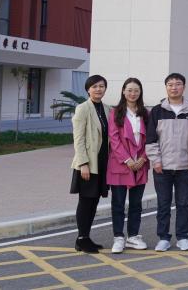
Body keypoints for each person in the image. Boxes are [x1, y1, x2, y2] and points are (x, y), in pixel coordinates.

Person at [145, 73, 188, 252]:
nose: (174, 87)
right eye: (170, 84)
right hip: (162, 167)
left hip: (185, 167)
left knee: (183, 204)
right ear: (166, 87)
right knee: (163, 204)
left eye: (178, 84)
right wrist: (156, 161)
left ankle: (182, 237)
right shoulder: (157, 111)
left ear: (184, 87)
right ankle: (163, 238)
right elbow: (151, 138)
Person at [107, 77, 150, 254]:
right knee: (118, 203)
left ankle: (133, 236)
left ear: (140, 93)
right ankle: (118, 237)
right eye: (129, 90)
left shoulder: (145, 113)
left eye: (136, 90)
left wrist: (143, 158)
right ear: (123, 91)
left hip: (140, 164)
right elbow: (114, 139)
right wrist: (127, 159)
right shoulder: (115, 112)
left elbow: (151, 138)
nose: (133, 93)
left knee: (136, 204)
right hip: (120, 164)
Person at [70, 75, 110, 253]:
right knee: (85, 201)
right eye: (94, 86)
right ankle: (81, 239)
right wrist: (83, 164)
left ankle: (86, 237)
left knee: (94, 201)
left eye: (101, 86)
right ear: (88, 89)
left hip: (102, 163)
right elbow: (78, 139)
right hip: (88, 163)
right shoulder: (82, 108)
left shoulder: (107, 109)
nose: (98, 89)